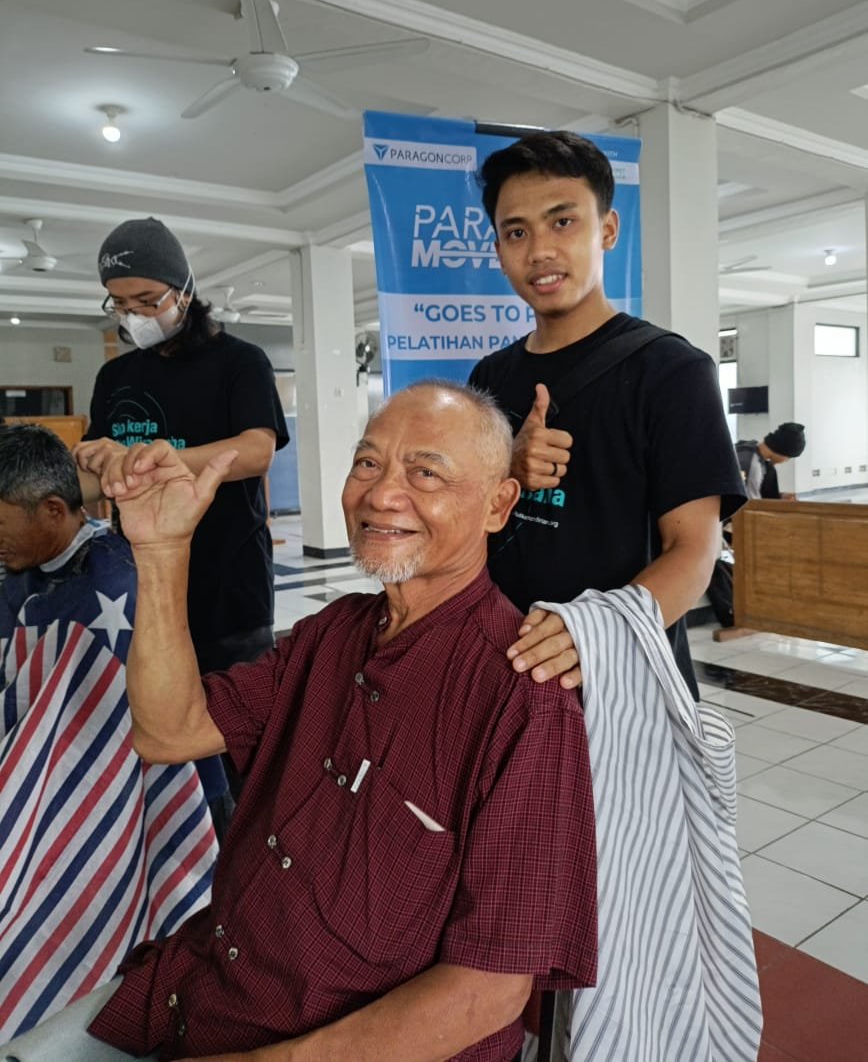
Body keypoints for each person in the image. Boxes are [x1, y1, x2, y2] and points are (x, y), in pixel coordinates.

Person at [3, 382, 597, 1062]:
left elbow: (488, 992)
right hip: (199, 990)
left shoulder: (522, 698)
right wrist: (162, 552)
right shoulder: (331, 633)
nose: (380, 494)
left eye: (425, 472)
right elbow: (169, 732)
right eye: (367, 464)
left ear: (499, 505)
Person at [468, 131, 746, 700]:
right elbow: (465, 527)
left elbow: (694, 551)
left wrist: (594, 634)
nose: (540, 249)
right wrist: (506, 471)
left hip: (624, 683)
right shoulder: (489, 379)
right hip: (501, 671)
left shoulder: (670, 370)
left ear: (608, 231)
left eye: (563, 222)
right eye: (516, 232)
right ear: (498, 250)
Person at [0, 425, 216, 1043]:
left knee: (171, 908)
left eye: (0, 525)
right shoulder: (18, 575)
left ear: (51, 510)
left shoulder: (119, 576)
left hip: (148, 784)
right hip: (43, 782)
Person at [73, 216, 290, 817]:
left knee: (238, 733)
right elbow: (100, 474)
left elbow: (256, 450)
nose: (134, 314)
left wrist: (157, 459)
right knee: (165, 723)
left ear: (185, 290)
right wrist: (91, 463)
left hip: (229, 581)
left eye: (149, 299)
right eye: (119, 302)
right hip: (143, 582)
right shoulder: (115, 375)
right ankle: (181, 846)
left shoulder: (239, 361)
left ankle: (254, 837)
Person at [736, 422, 806, 500]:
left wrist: (781, 497)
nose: (786, 461)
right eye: (789, 457)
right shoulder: (753, 465)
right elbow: (750, 505)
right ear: (782, 451)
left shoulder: (748, 447)